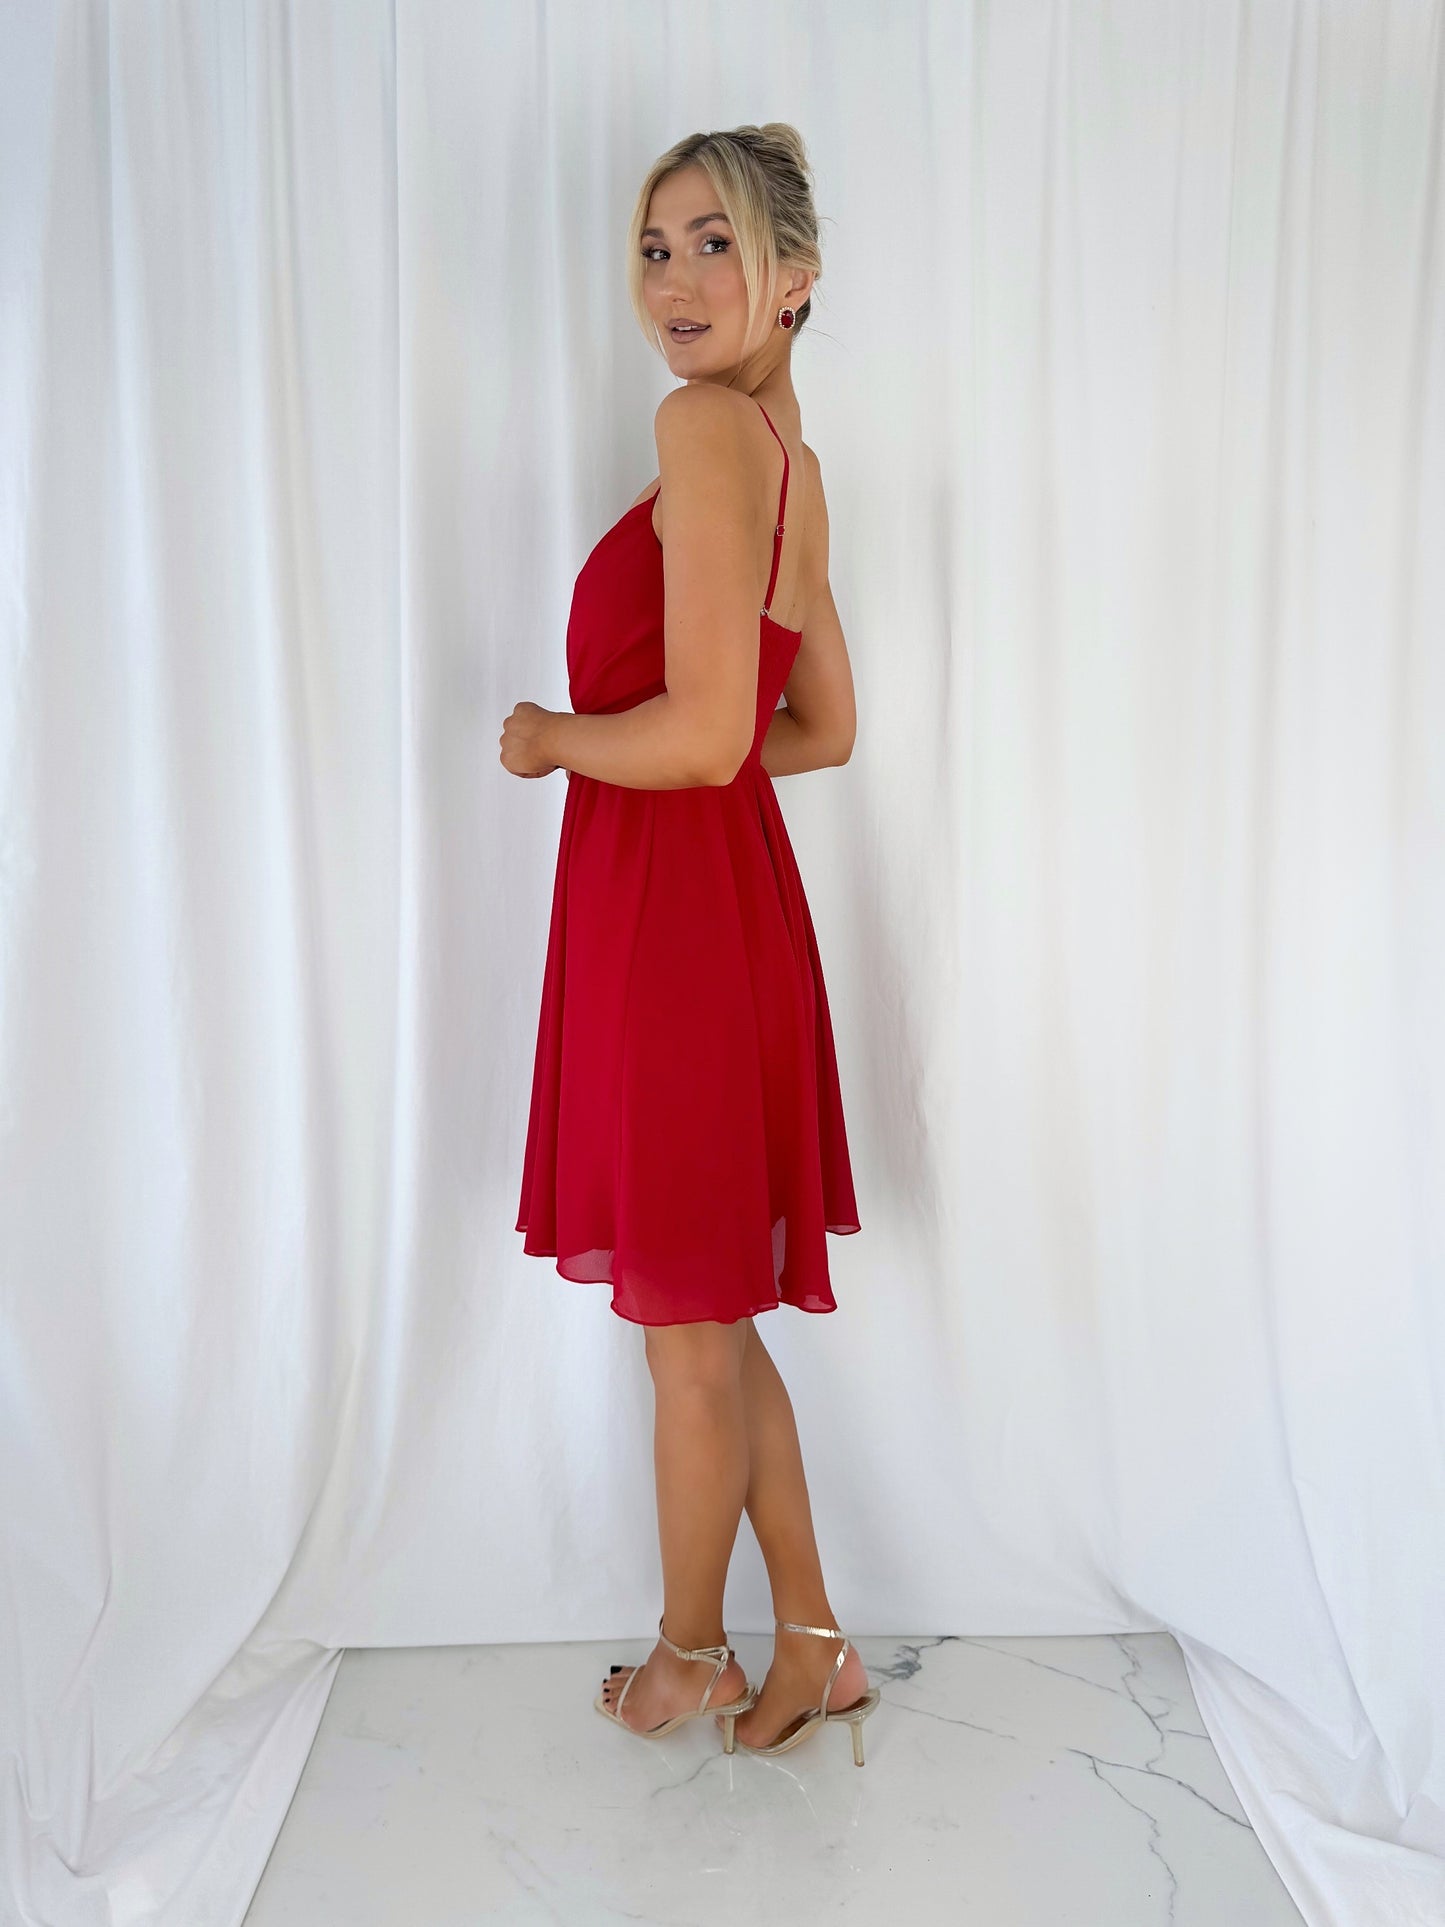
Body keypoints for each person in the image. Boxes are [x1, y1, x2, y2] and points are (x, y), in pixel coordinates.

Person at [500, 124, 879, 1763]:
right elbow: (820, 729)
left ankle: (688, 1655)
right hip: (712, 906)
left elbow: (719, 731)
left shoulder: (701, 434)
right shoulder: (786, 457)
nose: (675, 278)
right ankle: (814, 1643)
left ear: (794, 281)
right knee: (711, 1323)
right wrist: (673, 763)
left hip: (674, 929)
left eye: (714, 241)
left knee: (685, 1345)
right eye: (654, 247)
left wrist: (554, 739)